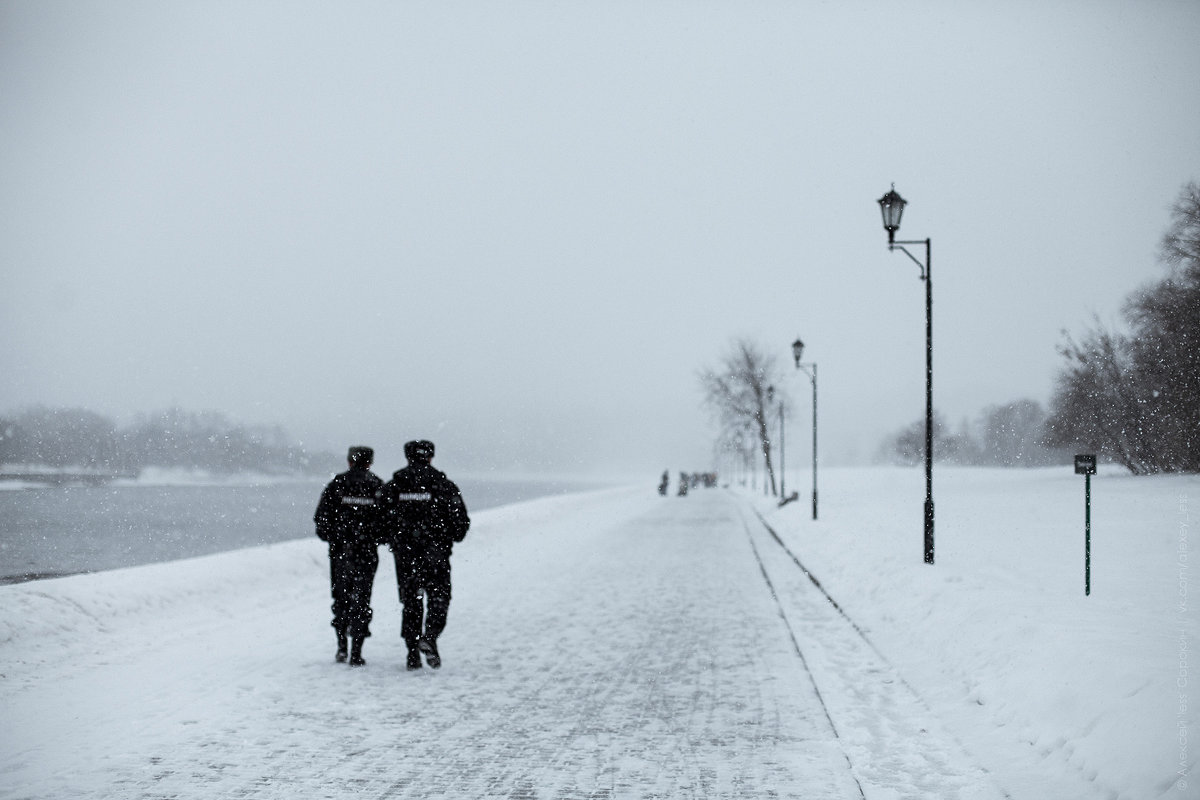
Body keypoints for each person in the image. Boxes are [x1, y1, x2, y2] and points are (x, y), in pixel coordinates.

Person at [377, 439, 470, 671]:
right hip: (436, 553)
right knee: (439, 598)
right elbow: (461, 524)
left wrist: (394, 538)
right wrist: (446, 537)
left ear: (407, 456)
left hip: (405, 555)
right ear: (431, 456)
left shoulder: (394, 486)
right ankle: (429, 636)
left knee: (411, 601)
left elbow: (378, 520)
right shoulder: (444, 485)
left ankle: (411, 652)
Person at [314, 446, 383, 667]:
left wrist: (335, 538)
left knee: (341, 598)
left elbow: (321, 519)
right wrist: (373, 537)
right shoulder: (377, 485)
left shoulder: (337, 484)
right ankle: (357, 651)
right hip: (366, 553)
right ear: (370, 462)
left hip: (341, 552)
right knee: (362, 599)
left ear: (349, 461)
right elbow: (387, 522)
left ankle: (341, 645)